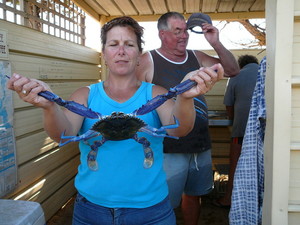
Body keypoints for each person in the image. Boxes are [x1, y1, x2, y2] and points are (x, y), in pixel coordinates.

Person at [7, 16, 224, 225]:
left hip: (150, 210)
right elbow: (64, 135)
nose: (121, 51)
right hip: (91, 209)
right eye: (114, 44)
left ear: (140, 54)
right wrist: (49, 105)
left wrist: (185, 98)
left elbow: (178, 130)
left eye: (129, 44)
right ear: (104, 53)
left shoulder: (156, 94)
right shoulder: (85, 95)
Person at [136, 12, 239, 225]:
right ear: (163, 34)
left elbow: (232, 70)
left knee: (194, 195)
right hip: (167, 148)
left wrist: (215, 42)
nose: (184, 36)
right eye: (177, 31)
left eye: (185, 31)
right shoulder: (148, 60)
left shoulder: (197, 57)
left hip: (200, 143)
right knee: (163, 202)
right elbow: (132, 100)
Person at [214, 54, 259, 208]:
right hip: (264, 132)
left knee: (235, 165)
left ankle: (228, 199)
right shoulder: (266, 74)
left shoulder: (236, 75)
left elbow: (228, 105)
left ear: (240, 65)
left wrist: (234, 118)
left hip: (241, 133)